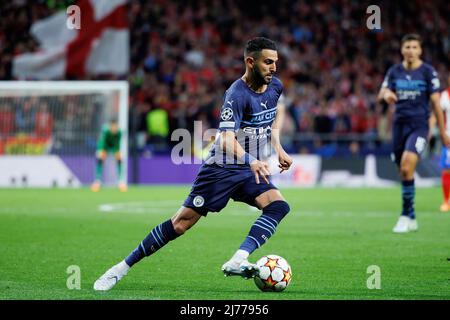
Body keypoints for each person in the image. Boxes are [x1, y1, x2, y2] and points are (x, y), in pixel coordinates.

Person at [93, 37, 293, 291]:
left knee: (278, 206)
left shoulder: (275, 87)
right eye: (268, 62)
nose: (274, 67)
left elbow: (270, 120)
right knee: (180, 223)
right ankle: (119, 269)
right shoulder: (236, 94)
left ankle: (239, 258)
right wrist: (251, 160)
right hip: (221, 169)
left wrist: (278, 148)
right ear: (250, 62)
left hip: (247, 169)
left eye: (275, 62)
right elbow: (225, 139)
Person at [377, 34, 450, 233]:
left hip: (419, 126)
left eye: (414, 47)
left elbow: (436, 103)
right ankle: (412, 216)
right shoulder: (394, 71)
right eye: (407, 46)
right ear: (402, 50)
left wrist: (443, 132)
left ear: (420, 50)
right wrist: (387, 94)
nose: (410, 50)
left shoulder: (428, 72)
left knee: (407, 166)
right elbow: (381, 93)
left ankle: (404, 215)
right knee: (403, 170)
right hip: (399, 126)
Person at [91, 120, 127, 192]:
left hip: (114, 146)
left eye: (115, 127)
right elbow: (102, 141)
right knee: (100, 159)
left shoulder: (119, 132)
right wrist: (100, 150)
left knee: (119, 160)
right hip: (105, 146)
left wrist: (117, 153)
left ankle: (121, 181)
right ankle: (97, 181)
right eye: (113, 127)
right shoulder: (105, 131)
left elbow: (117, 143)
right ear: (110, 126)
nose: (114, 129)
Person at [439, 75, 450, 212]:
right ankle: (446, 201)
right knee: (447, 169)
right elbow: (438, 114)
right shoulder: (444, 96)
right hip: (449, 136)